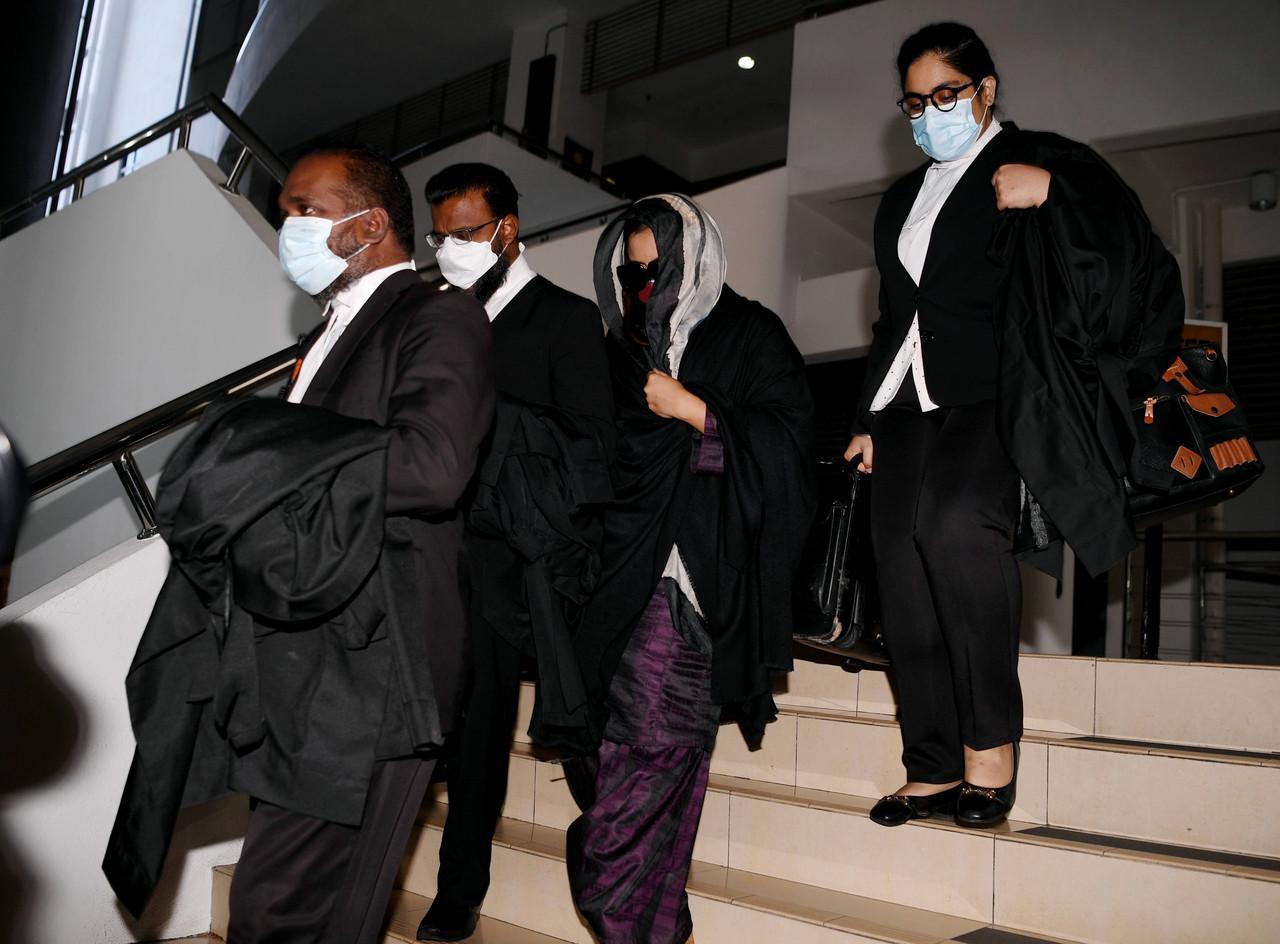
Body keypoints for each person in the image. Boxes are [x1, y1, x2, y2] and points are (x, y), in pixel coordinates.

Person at [103, 144, 494, 943]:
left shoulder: (438, 316)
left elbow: (433, 466)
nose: (289, 228)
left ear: (370, 225)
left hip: (379, 668)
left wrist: (262, 456)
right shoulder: (324, 336)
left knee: (283, 912)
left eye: (305, 212)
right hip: (306, 664)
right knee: (290, 911)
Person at [845, 22, 1183, 829]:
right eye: (915, 102)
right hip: (904, 401)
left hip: (999, 392)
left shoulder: (1041, 158)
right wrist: (864, 416)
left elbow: (1130, 244)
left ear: (986, 90)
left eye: (947, 95)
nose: (930, 113)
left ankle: (988, 752)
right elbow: (893, 315)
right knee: (901, 565)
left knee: (957, 528)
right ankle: (928, 764)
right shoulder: (902, 196)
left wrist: (1053, 194)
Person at [561, 194, 815, 944]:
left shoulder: (750, 334)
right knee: (644, 774)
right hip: (611, 583)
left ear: (693, 261)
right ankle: (661, 929)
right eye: (634, 274)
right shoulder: (618, 353)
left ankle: (623, 921)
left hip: (696, 586)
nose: (647, 288)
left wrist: (697, 413)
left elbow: (790, 452)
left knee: (646, 767)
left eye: (659, 270)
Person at [416, 163, 614, 942]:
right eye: (441, 235)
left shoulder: (562, 319)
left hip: (518, 557)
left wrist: (497, 423)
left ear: (508, 227)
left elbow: (595, 444)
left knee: (521, 722)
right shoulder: (435, 319)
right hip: (437, 548)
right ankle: (452, 887)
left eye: (466, 232)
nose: (451, 249)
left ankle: (616, 859)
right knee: (451, 724)